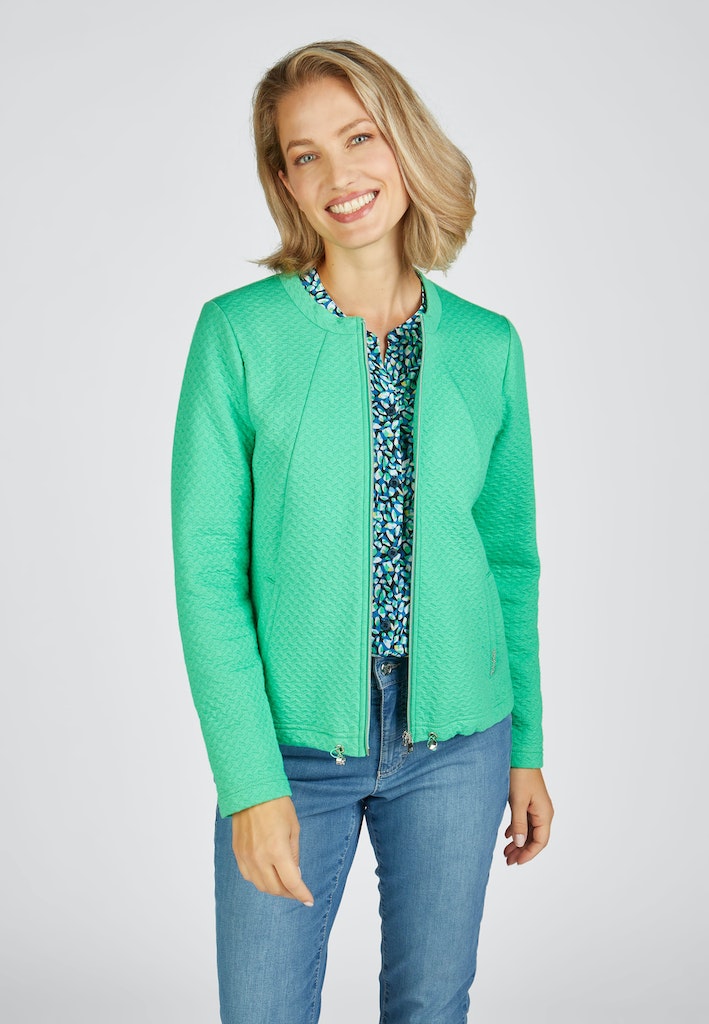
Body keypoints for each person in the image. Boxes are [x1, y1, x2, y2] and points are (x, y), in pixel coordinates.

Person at [171, 38, 554, 1024]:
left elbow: (508, 561)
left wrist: (525, 746)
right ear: (283, 181)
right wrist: (248, 780)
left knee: (431, 1005)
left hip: (460, 743)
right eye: (304, 154)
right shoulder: (237, 336)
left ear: (403, 142)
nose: (338, 174)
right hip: (292, 749)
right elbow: (208, 574)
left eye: (358, 137)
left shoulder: (487, 346)